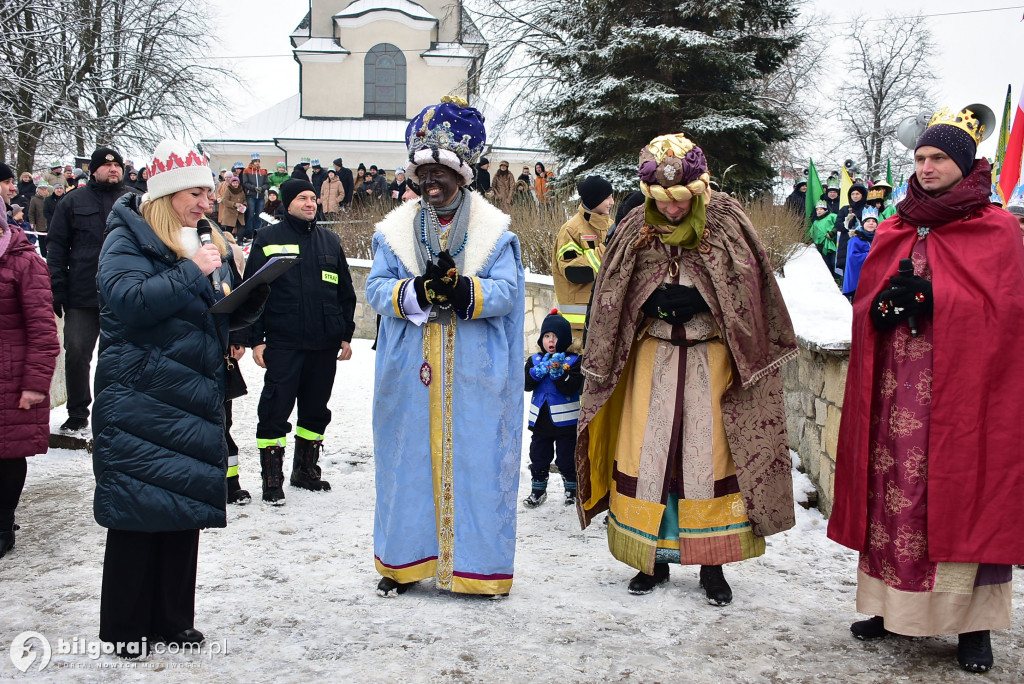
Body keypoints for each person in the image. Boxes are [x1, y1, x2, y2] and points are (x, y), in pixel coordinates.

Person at [827, 105, 1024, 674]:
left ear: (964, 163)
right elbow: (867, 300)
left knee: (961, 496)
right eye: (920, 158)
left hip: (962, 398)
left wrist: (939, 301)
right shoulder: (896, 225)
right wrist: (881, 308)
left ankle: (973, 628)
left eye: (938, 158)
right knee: (893, 494)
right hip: (895, 393)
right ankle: (891, 609)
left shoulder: (995, 228)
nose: (927, 167)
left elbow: (1008, 315)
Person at [575, 133, 797, 604]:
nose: (672, 209)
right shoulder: (635, 224)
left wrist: (704, 301)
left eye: (680, 199)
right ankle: (650, 559)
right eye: (662, 199)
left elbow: (749, 293)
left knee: (706, 459)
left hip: (710, 359)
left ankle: (712, 566)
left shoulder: (727, 221)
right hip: (650, 359)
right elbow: (613, 296)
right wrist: (649, 301)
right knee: (648, 457)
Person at [92, 139, 267, 657]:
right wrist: (193, 270)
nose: (206, 203)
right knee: (137, 511)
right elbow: (129, 301)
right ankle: (125, 627)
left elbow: (205, 312)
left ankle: (172, 620)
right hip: (140, 395)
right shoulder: (125, 240)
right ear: (167, 195)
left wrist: (249, 297)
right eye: (196, 194)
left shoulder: (197, 239)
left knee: (181, 508)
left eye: (209, 194)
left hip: (189, 393)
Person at [366, 96, 525, 598]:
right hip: (409, 373)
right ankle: (402, 564)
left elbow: (508, 292)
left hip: (475, 375)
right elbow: (375, 289)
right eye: (423, 173)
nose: (430, 182)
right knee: (405, 465)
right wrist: (416, 291)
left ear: (463, 174)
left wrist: (463, 292)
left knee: (478, 467)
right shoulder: (393, 232)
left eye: (440, 173)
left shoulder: (495, 233)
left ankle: (477, 569)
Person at [243, 178, 357, 505]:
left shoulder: (330, 241)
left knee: (316, 411)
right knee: (275, 410)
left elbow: (345, 293)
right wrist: (256, 340)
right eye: (302, 198)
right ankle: (272, 479)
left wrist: (345, 335)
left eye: (313, 198)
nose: (310, 203)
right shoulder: (268, 239)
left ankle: (305, 470)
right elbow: (252, 292)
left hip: (324, 343)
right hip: (283, 342)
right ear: (288, 203)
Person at [46, 147, 135, 433]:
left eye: (117, 165)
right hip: (82, 293)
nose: (114, 169)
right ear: (93, 170)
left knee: (125, 355)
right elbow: (56, 247)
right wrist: (57, 288)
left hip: (125, 293)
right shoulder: (73, 201)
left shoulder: (135, 200)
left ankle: (121, 411)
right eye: (107, 165)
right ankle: (77, 412)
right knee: (76, 352)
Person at [0, 162, 60, 560]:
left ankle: (3, 523)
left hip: (10, 375)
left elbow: (43, 328)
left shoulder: (23, 260)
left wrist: (36, 383)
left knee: (7, 453)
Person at [523, 309, 582, 508]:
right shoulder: (534, 361)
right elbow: (526, 385)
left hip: (566, 424)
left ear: (565, 339)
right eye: (547, 336)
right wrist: (535, 374)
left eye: (555, 336)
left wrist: (560, 375)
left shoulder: (573, 362)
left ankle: (571, 489)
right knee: (538, 457)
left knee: (567, 458)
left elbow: (574, 387)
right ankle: (538, 491)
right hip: (541, 422)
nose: (550, 340)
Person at [552, 175, 613, 339]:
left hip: (605, 322)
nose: (612, 202)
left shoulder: (611, 226)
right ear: (595, 199)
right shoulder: (571, 230)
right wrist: (605, 250)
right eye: (607, 197)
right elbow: (573, 272)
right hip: (576, 328)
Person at [841, 206, 877, 300]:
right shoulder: (855, 240)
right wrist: (871, 255)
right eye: (868, 221)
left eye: (873, 221)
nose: (871, 223)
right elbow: (853, 258)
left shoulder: (879, 239)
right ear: (863, 223)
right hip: (859, 281)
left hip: (874, 280)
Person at [834, 180, 867, 279]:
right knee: (848, 274)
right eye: (852, 194)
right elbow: (838, 225)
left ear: (862, 195)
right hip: (847, 244)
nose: (855, 196)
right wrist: (847, 224)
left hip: (863, 244)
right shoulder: (845, 209)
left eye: (857, 194)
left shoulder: (868, 209)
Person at [241, 153, 269, 242]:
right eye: (255, 161)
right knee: (250, 215)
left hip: (260, 196)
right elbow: (245, 183)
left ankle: (257, 233)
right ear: (252, 162)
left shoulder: (263, 171)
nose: (257, 163)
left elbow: (267, 184)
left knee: (259, 215)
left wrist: (262, 188)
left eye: (258, 161)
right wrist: (254, 188)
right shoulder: (246, 170)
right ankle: (249, 234)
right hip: (251, 196)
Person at [808, 199, 837, 274]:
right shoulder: (816, 222)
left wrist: (832, 233)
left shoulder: (832, 216)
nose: (819, 211)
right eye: (817, 209)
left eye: (821, 209)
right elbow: (812, 234)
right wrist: (807, 243)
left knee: (834, 263)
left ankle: (837, 278)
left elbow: (838, 226)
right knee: (826, 264)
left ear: (825, 209)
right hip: (822, 246)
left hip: (834, 244)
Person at [27, 183, 50, 257]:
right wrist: (32, 222)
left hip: (50, 224)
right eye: (42, 189)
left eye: (45, 189)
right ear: (38, 190)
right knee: (42, 242)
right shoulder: (34, 199)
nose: (44, 191)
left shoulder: (50, 198)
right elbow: (31, 212)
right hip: (40, 224)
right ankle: (44, 256)